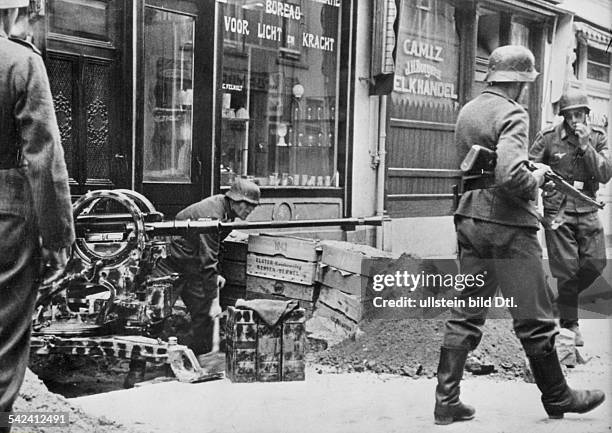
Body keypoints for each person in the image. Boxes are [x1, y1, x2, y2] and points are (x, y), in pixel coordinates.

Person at [433, 45, 605, 425]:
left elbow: (473, 167)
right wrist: (536, 179)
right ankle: (558, 396)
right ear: (520, 82)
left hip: (470, 219)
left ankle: (446, 400)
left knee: (466, 312)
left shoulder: (469, 110)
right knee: (535, 315)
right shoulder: (513, 112)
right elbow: (511, 176)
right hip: (508, 226)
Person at [0, 1, 75, 431]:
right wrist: (57, 236)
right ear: (12, 13)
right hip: (7, 219)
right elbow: (43, 156)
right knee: (4, 343)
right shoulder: (21, 61)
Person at [124, 178, 260, 387]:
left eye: (253, 206)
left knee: (204, 314)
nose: (249, 210)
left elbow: (214, 251)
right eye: (246, 204)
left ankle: (194, 363)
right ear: (233, 199)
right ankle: (136, 370)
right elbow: (208, 260)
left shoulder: (226, 214)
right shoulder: (212, 214)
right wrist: (215, 298)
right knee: (154, 316)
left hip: (192, 266)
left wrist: (217, 276)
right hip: (169, 263)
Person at [530, 88, 612, 346]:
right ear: (562, 116)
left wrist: (586, 146)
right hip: (558, 210)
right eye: (570, 115)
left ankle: (561, 303)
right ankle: (570, 324)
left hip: (587, 207)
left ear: (587, 114)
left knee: (595, 264)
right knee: (567, 270)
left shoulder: (598, 137)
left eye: (579, 114)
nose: (575, 119)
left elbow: (605, 174)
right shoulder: (548, 138)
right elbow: (529, 167)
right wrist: (542, 180)